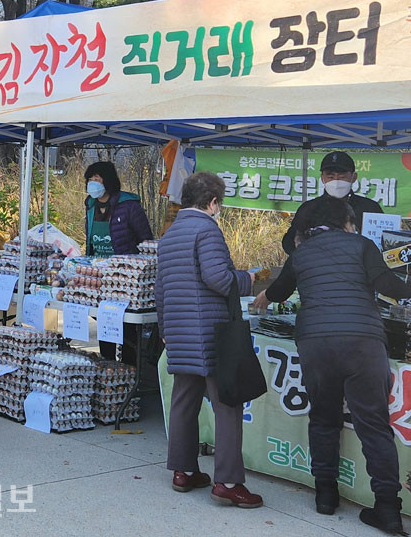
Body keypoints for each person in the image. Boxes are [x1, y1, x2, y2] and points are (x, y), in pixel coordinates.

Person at [253, 196, 410, 532]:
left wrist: (264, 297)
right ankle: (387, 509)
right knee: (374, 424)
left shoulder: (301, 254)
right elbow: (387, 285)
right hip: (364, 344)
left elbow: (279, 292)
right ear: (346, 221)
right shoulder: (362, 245)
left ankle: (325, 496)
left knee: (323, 419)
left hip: (317, 343)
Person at [156, 171, 261, 508]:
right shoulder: (207, 230)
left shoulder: (170, 235)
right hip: (211, 331)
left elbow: (159, 290)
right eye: (221, 202)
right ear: (213, 202)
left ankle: (183, 471)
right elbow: (218, 278)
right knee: (227, 404)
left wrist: (165, 329)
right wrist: (249, 279)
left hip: (179, 330)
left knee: (184, 401)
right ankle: (228, 482)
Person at [84, 160, 153, 362]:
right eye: (90, 179)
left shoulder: (128, 206)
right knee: (105, 322)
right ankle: (109, 368)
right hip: (100, 277)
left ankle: (131, 368)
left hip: (126, 278)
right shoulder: (90, 205)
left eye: (97, 178)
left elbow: (145, 241)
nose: (93, 183)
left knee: (127, 327)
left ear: (109, 181)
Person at [281, 151, 382, 255]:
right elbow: (289, 241)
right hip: (317, 268)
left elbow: (383, 241)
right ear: (322, 178)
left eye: (342, 177)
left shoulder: (370, 208)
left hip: (358, 268)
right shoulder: (309, 208)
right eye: (331, 177)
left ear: (354, 177)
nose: (336, 181)